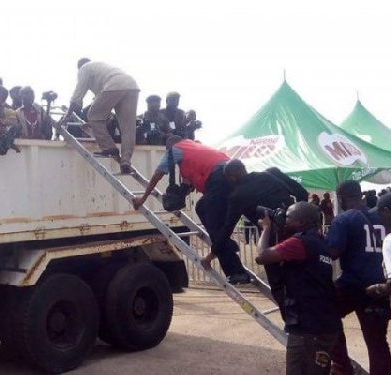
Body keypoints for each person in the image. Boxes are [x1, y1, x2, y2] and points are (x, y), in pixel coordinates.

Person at [132, 136, 249, 284]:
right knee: (202, 209)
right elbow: (189, 185)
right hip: (229, 175)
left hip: (219, 177)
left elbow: (157, 175)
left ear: (170, 146)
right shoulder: (193, 151)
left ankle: (237, 272)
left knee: (213, 223)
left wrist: (142, 199)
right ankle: (226, 244)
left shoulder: (175, 149)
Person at [256, 202, 341, 375]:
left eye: (288, 217)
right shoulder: (319, 242)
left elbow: (261, 256)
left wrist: (266, 228)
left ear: (301, 222)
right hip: (323, 324)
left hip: (307, 330)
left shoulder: (299, 243)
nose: (284, 221)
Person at [202, 158, 307, 290]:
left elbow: (227, 229)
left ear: (232, 178)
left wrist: (211, 256)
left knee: (281, 285)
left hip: (272, 239)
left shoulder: (237, 196)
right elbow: (302, 194)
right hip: (299, 234)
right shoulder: (269, 175)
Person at [326, 180, 391, 375]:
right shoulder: (382, 217)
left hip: (352, 285)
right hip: (381, 287)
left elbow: (333, 252)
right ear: (361, 195)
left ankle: (342, 366)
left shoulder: (344, 219)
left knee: (325, 315)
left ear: (340, 198)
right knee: (377, 343)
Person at [61, 58, 140, 174]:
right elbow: (102, 105)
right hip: (132, 86)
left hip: (114, 85)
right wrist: (94, 123)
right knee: (128, 127)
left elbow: (77, 96)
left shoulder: (84, 69)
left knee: (92, 115)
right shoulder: (101, 69)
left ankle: (109, 147)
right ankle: (125, 162)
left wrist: (67, 116)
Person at [366, 193, 391, 297]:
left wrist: (377, 288)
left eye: (379, 212)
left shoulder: (389, 240)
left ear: (386, 210)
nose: (379, 217)